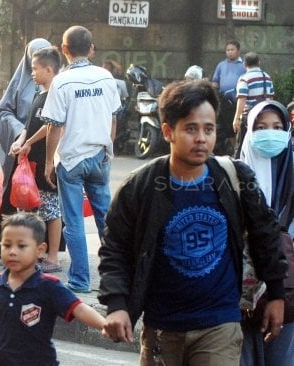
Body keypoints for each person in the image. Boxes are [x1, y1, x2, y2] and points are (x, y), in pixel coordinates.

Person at [98, 80, 287, 365]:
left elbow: (266, 235)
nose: (201, 138)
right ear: (167, 132)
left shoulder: (235, 178)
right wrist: (116, 304)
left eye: (208, 129)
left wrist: (276, 293)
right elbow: (115, 248)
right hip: (162, 327)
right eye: (190, 128)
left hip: (219, 323)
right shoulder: (140, 186)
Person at [0, 212, 106, 365]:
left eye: (21, 246)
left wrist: (104, 324)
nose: (12, 251)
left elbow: (78, 308)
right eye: (7, 245)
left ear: (40, 250)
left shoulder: (49, 285)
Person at [42, 26, 120, 293]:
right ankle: (115, 279)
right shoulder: (106, 77)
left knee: (73, 221)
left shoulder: (61, 82)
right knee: (106, 220)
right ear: (91, 48)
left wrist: (49, 163)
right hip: (99, 157)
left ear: (64, 50)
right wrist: (108, 150)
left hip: (72, 160)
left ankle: (80, 280)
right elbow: (114, 117)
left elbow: (54, 127)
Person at [238, 100, 294, 366]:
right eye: (260, 127)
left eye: (277, 126)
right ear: (249, 132)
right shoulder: (232, 177)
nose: (270, 133)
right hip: (239, 299)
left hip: (289, 298)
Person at [0, 38, 51, 253]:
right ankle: (11, 244)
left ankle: (42, 247)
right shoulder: (20, 82)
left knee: (46, 200)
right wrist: (19, 132)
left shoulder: (56, 84)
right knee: (19, 196)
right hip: (21, 149)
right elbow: (2, 112)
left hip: (45, 147)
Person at [9, 47, 63, 273]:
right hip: (31, 161)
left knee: (51, 210)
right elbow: (30, 123)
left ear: (49, 70)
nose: (32, 73)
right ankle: (35, 252)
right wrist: (20, 140)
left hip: (47, 160)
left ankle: (53, 256)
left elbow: (50, 126)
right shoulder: (38, 95)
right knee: (32, 208)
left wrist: (28, 142)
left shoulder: (57, 94)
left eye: (35, 69)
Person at [232, 52, 274, 158]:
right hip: (266, 117)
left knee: (242, 146)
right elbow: (271, 98)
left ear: (244, 64)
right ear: (259, 63)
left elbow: (242, 99)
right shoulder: (267, 77)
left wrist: (236, 118)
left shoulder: (244, 79)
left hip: (249, 118)